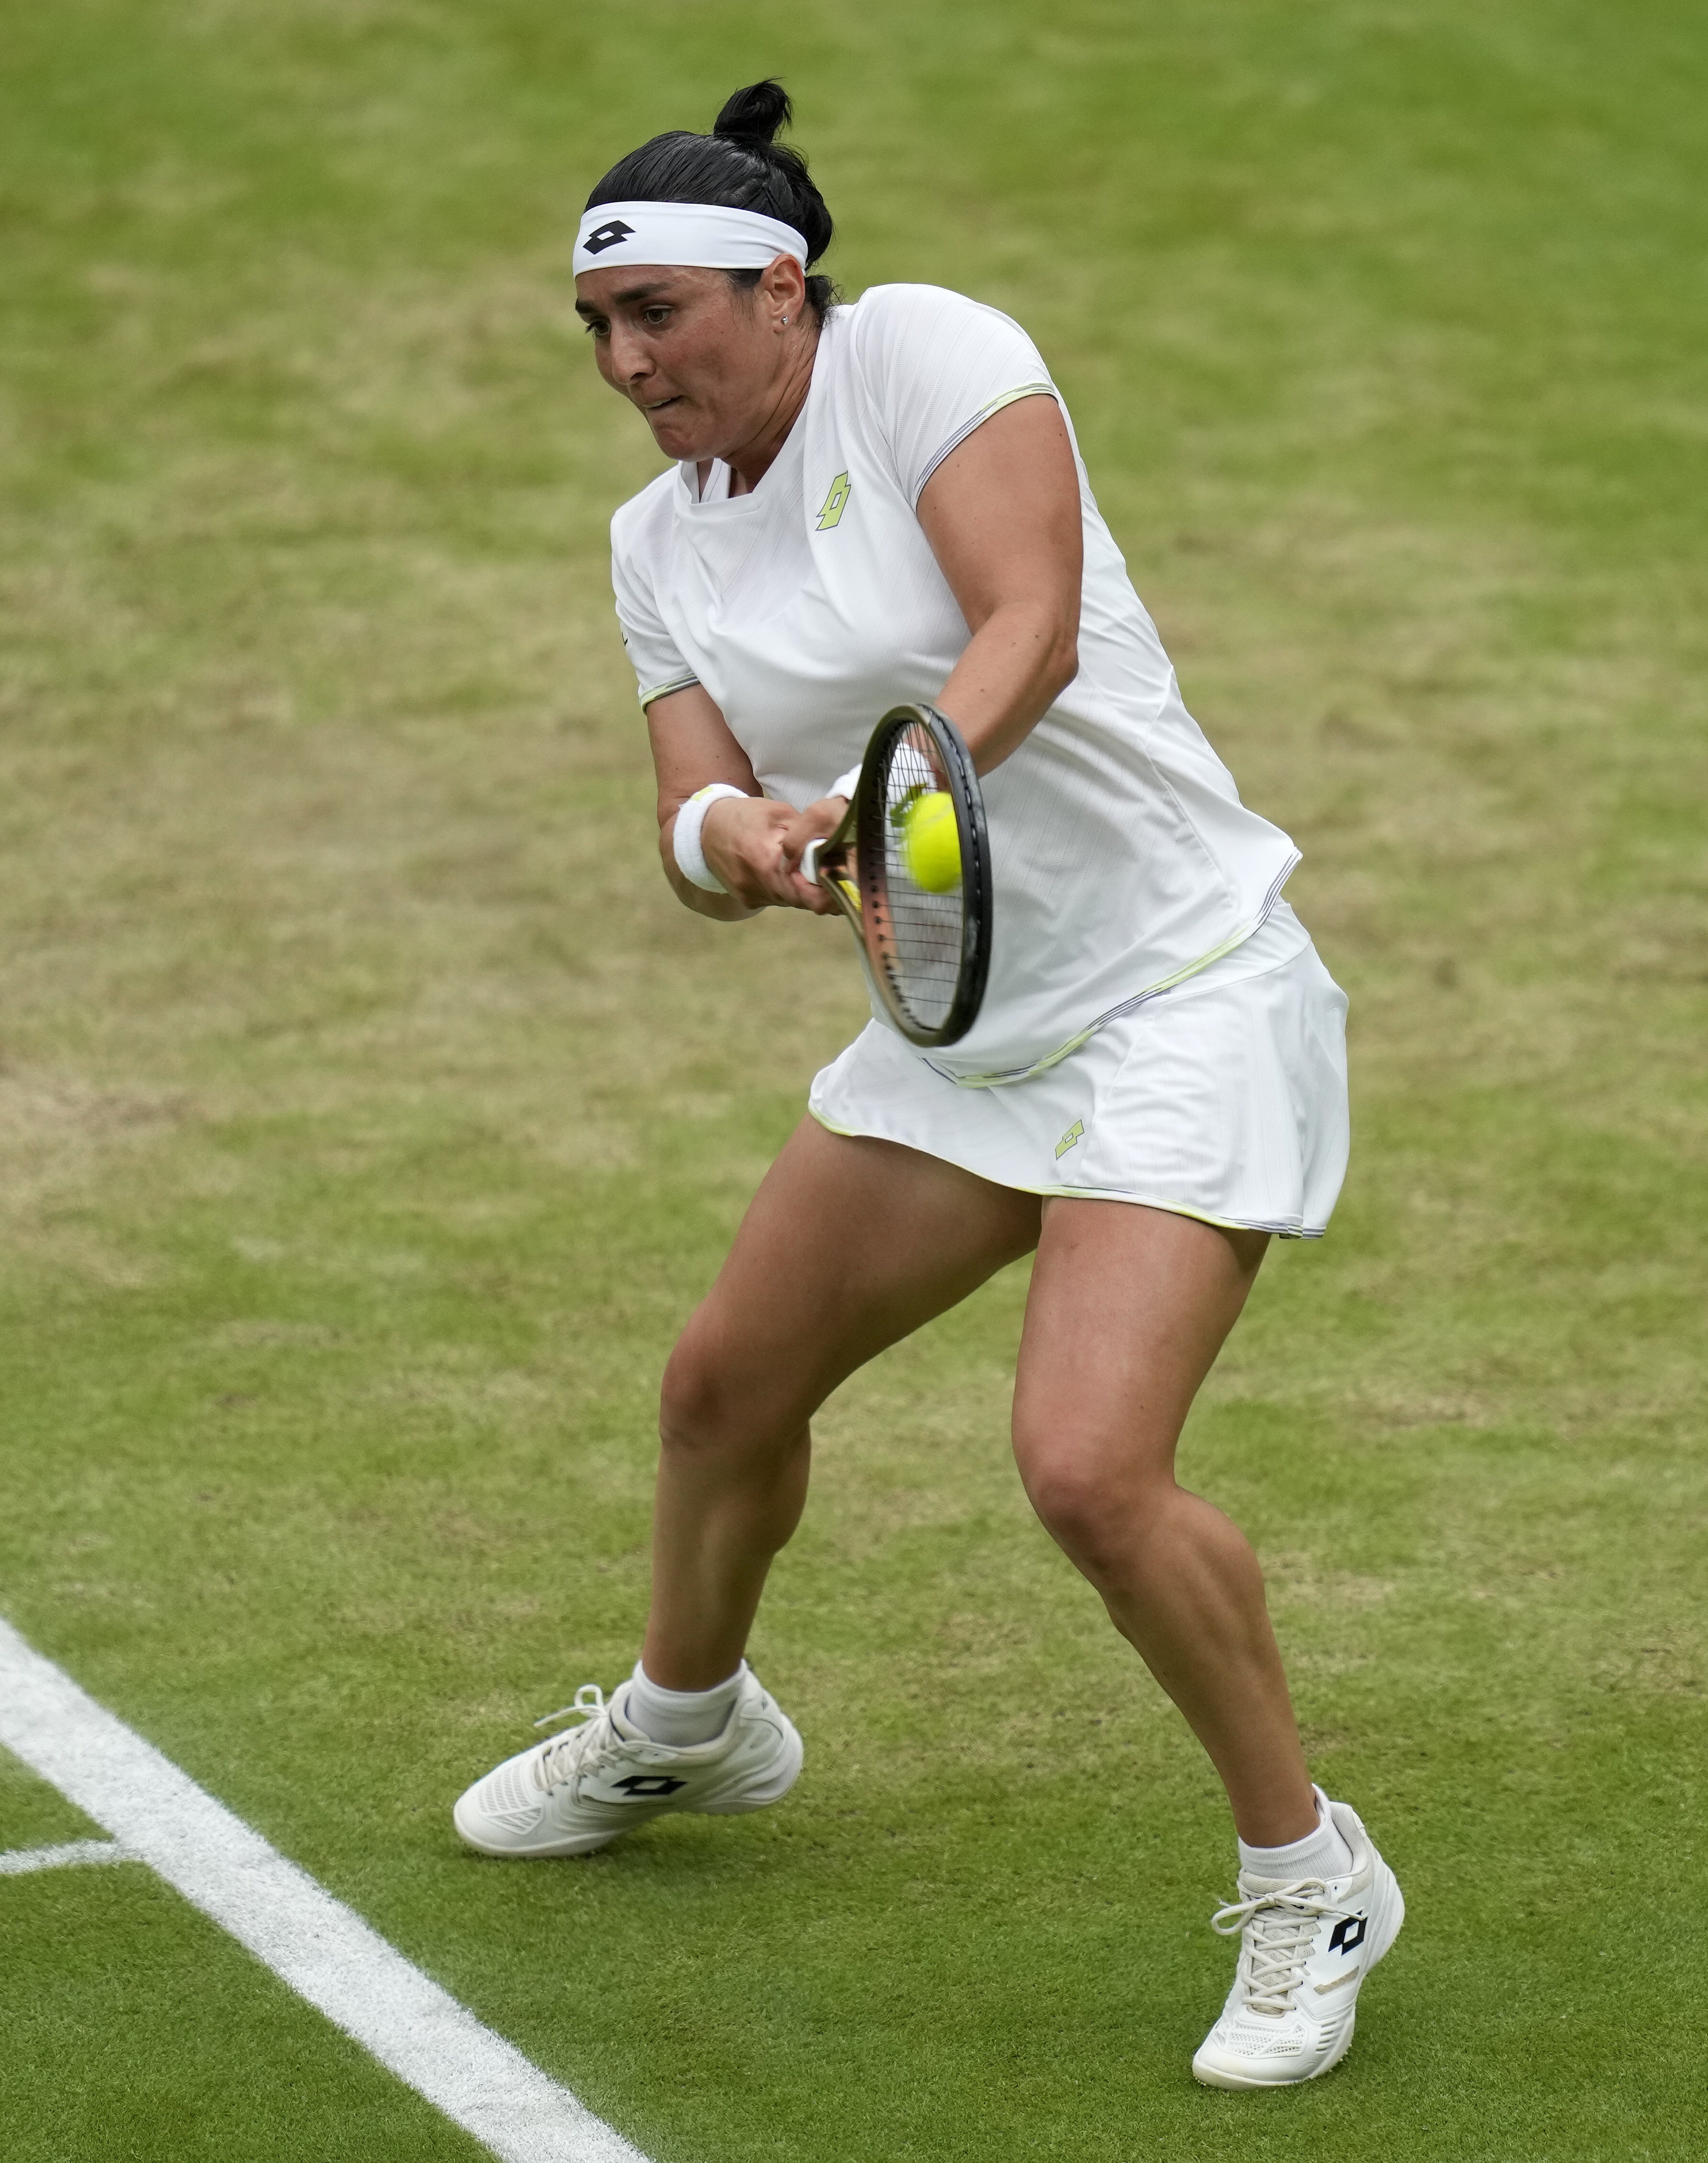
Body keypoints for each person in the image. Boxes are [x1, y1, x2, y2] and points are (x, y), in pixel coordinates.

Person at [451, 80, 1401, 2090]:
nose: (630, 369)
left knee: (1083, 1469)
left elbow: (1028, 628)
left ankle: (1309, 1874)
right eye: (600, 337)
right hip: (967, 1030)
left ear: (783, 290)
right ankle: (692, 1724)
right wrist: (747, 847)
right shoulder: (653, 542)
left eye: (667, 323)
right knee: (721, 1390)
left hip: (1180, 997)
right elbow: (688, 815)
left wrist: (880, 807)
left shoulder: (925, 359)